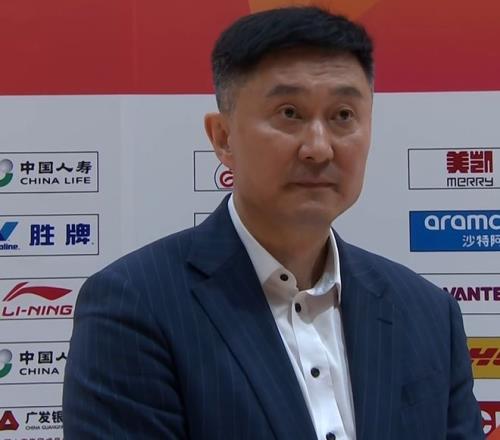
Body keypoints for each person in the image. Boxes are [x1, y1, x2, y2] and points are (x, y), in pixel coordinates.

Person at [63, 6, 484, 440]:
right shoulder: (134, 305)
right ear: (223, 138)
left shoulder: (427, 313)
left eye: (343, 115)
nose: (318, 148)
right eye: (289, 113)